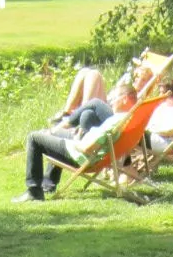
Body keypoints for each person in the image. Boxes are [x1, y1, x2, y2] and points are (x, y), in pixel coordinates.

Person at [22, 63, 140, 199]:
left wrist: (75, 140)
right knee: (86, 115)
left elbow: (86, 148)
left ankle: (34, 191)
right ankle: (48, 183)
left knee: (34, 137)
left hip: (82, 155)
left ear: (125, 99)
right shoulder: (127, 119)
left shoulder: (116, 121)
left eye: (114, 98)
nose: (111, 102)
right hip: (93, 151)